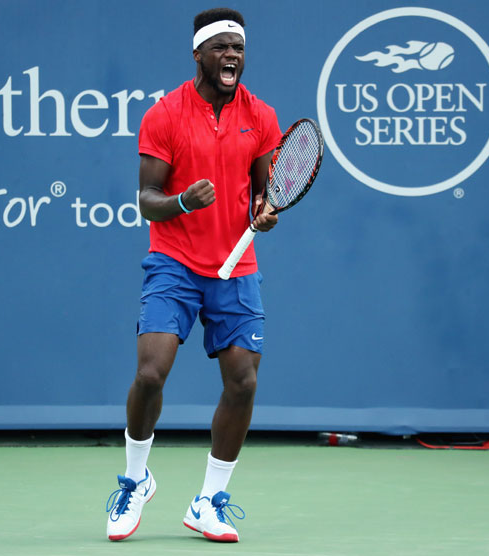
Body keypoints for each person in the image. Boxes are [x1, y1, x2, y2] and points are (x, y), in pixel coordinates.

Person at [106, 7, 281, 543]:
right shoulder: (165, 116)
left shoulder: (262, 115)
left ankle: (209, 501)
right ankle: (136, 479)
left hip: (236, 267)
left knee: (243, 382)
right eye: (223, 47)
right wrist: (182, 200)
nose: (233, 57)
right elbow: (147, 199)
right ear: (199, 54)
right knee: (151, 374)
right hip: (175, 262)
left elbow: (265, 190)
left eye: (240, 49)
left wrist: (265, 210)